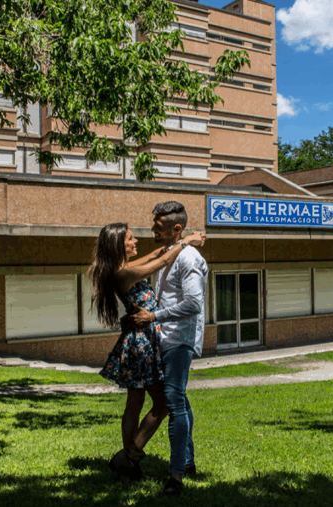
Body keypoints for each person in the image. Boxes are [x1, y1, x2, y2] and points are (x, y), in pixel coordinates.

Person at [88, 222, 206, 485]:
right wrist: (187, 241)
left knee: (135, 402)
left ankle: (129, 470)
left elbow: (157, 254)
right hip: (141, 342)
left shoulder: (123, 269)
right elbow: (161, 261)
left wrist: (178, 241)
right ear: (119, 245)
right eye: (130, 239)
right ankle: (129, 456)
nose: (135, 242)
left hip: (139, 339)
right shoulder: (123, 274)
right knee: (163, 403)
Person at [127, 201, 208, 498]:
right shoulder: (169, 256)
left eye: (158, 228)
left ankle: (175, 477)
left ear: (176, 229)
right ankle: (187, 463)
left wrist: (152, 317)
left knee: (174, 405)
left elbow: (193, 304)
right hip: (164, 338)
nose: (152, 231)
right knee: (180, 401)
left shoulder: (189, 259)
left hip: (178, 341)